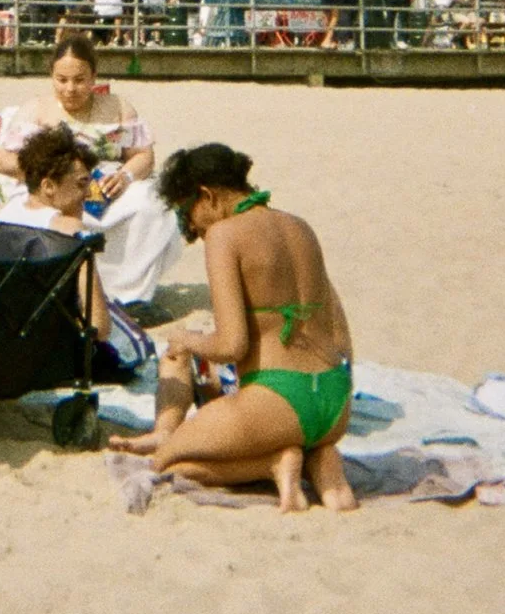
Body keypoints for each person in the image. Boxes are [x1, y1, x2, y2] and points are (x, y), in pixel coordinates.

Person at [108, 143, 357, 513]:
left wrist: (184, 339)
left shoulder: (226, 235)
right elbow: (341, 337)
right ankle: (319, 460)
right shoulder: (300, 227)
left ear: (207, 195)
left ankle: (277, 461)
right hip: (336, 399)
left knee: (166, 463)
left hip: (276, 397)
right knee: (254, 431)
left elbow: (231, 345)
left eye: (186, 215)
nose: (192, 229)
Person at [0, 34, 181, 305]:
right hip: (54, 187)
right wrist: (52, 171)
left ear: (94, 77)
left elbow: (143, 156)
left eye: (79, 80)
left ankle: (129, 294)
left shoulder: (118, 108)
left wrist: (124, 176)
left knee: (152, 204)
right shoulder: (36, 110)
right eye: (62, 80)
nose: (70, 89)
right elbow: (5, 161)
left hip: (107, 186)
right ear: (51, 76)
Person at [0, 124, 154, 375]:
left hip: (7, 341)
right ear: (48, 186)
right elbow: (99, 328)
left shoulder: (2, 215)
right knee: (141, 344)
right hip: (56, 348)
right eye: (81, 184)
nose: (88, 195)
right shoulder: (71, 232)